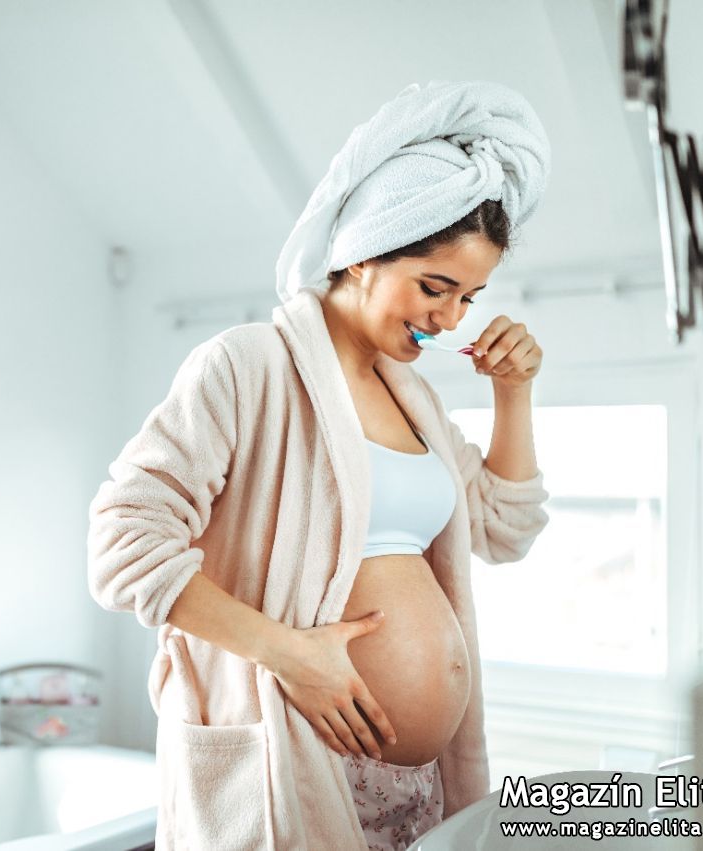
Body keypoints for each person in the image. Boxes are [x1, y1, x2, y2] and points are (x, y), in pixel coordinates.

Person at [88, 80, 553, 850]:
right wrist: (288, 653)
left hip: (416, 790)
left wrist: (514, 395)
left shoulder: (416, 402)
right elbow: (121, 544)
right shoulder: (247, 367)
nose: (450, 318)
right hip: (292, 761)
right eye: (433, 286)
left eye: (470, 297)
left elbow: (505, 528)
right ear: (366, 254)